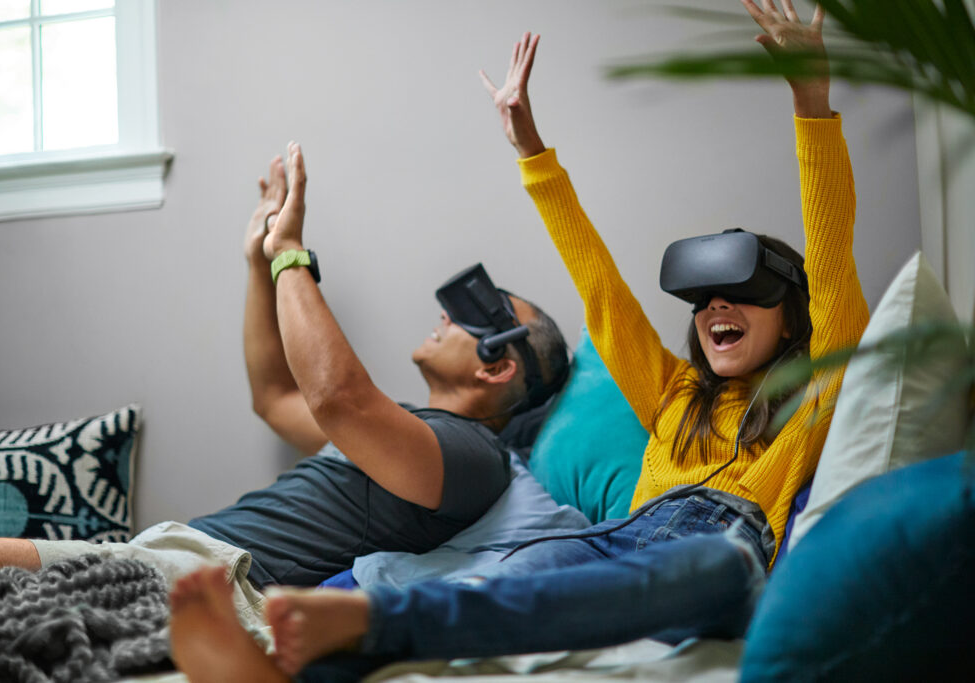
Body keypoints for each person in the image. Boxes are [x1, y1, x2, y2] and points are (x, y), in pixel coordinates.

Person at [166, 1, 870, 680]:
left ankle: (365, 630)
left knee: (715, 568)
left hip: (720, 548)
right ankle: (295, 668)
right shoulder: (675, 397)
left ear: (792, 317)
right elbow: (603, 291)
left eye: (742, 294)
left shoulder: (813, 397)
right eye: (705, 299)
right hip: (610, 543)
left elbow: (833, 260)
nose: (717, 306)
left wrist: (812, 101)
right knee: (509, 575)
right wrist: (532, 150)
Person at [0, 139, 570, 620]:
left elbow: (339, 400)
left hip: (216, 583)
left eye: (476, 311)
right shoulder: (410, 436)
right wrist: (259, 261)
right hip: (178, 558)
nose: (444, 314)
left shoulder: (474, 457)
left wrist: (291, 251)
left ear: (497, 364)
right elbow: (277, 398)